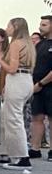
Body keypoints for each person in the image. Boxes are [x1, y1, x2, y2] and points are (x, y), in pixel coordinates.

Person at [0, 18, 36, 169]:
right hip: (26, 80)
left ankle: (22, 157)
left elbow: (12, 68)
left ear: (15, 27)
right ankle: (3, 152)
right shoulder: (29, 44)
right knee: (4, 115)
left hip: (17, 79)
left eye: (9, 25)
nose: (7, 28)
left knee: (14, 119)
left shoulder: (16, 43)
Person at [30, 16, 52, 161]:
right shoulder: (40, 44)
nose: (40, 27)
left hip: (48, 86)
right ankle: (35, 149)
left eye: (44, 24)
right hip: (37, 86)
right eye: (40, 24)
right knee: (37, 117)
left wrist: (41, 83)